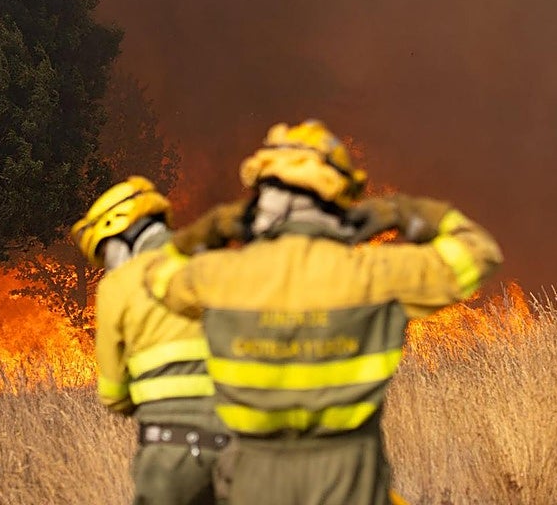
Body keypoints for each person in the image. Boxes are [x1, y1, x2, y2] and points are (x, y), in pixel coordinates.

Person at [143, 121, 503, 505]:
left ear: (261, 200)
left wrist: (211, 229)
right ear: (339, 199)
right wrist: (405, 212)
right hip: (348, 476)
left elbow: (154, 273)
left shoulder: (220, 278)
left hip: (254, 477)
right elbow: (480, 253)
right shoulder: (375, 274)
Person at [72, 176, 229, 505]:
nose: (108, 267)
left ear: (123, 232)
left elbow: (113, 394)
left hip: (172, 455)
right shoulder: (215, 262)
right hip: (245, 447)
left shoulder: (119, 285)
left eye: (106, 253)